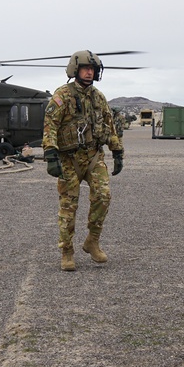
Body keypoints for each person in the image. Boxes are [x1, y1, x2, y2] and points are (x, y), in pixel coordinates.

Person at [42, 50, 124, 272]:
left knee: (103, 196)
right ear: (75, 70)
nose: (89, 72)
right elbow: (50, 127)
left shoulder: (98, 97)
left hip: (93, 156)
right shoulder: (62, 96)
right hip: (68, 159)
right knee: (68, 207)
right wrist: (51, 154)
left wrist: (117, 151)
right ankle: (67, 251)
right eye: (86, 68)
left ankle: (92, 240)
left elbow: (109, 126)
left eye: (93, 69)